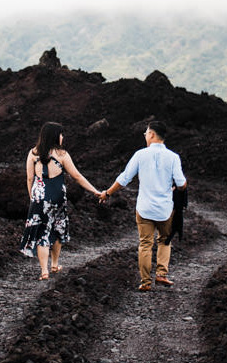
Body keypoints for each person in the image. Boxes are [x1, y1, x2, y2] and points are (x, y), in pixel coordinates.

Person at [100, 120, 187, 291]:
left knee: (145, 244)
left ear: (152, 134)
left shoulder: (140, 155)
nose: (145, 136)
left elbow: (124, 178)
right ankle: (161, 274)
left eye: (146, 133)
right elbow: (181, 183)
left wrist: (107, 193)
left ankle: (145, 282)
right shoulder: (173, 157)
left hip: (144, 208)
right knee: (164, 241)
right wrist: (177, 188)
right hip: (165, 209)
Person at [19, 121, 102, 279]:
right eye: (61, 134)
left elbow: (30, 178)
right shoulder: (62, 154)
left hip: (39, 197)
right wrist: (95, 191)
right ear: (55, 136)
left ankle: (44, 270)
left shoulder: (33, 153)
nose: (63, 137)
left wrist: (32, 197)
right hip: (57, 196)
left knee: (42, 232)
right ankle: (55, 264)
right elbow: (77, 176)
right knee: (58, 228)